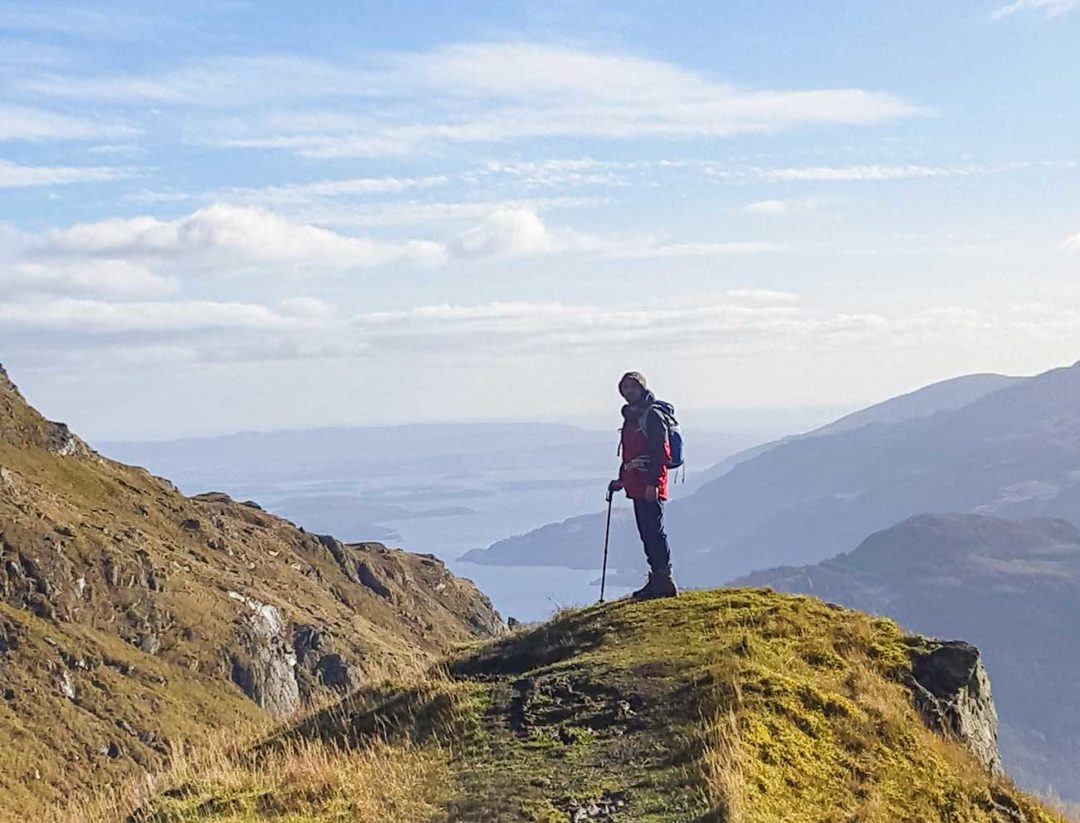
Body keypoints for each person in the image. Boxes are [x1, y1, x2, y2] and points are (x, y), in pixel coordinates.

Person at [608, 371, 678, 600]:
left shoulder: (652, 415)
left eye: (633, 387)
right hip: (637, 483)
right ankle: (658, 579)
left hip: (649, 483)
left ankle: (663, 579)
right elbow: (629, 454)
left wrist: (653, 484)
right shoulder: (632, 417)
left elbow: (661, 453)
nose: (628, 392)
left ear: (642, 388)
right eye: (625, 388)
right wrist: (621, 480)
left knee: (653, 531)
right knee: (646, 532)